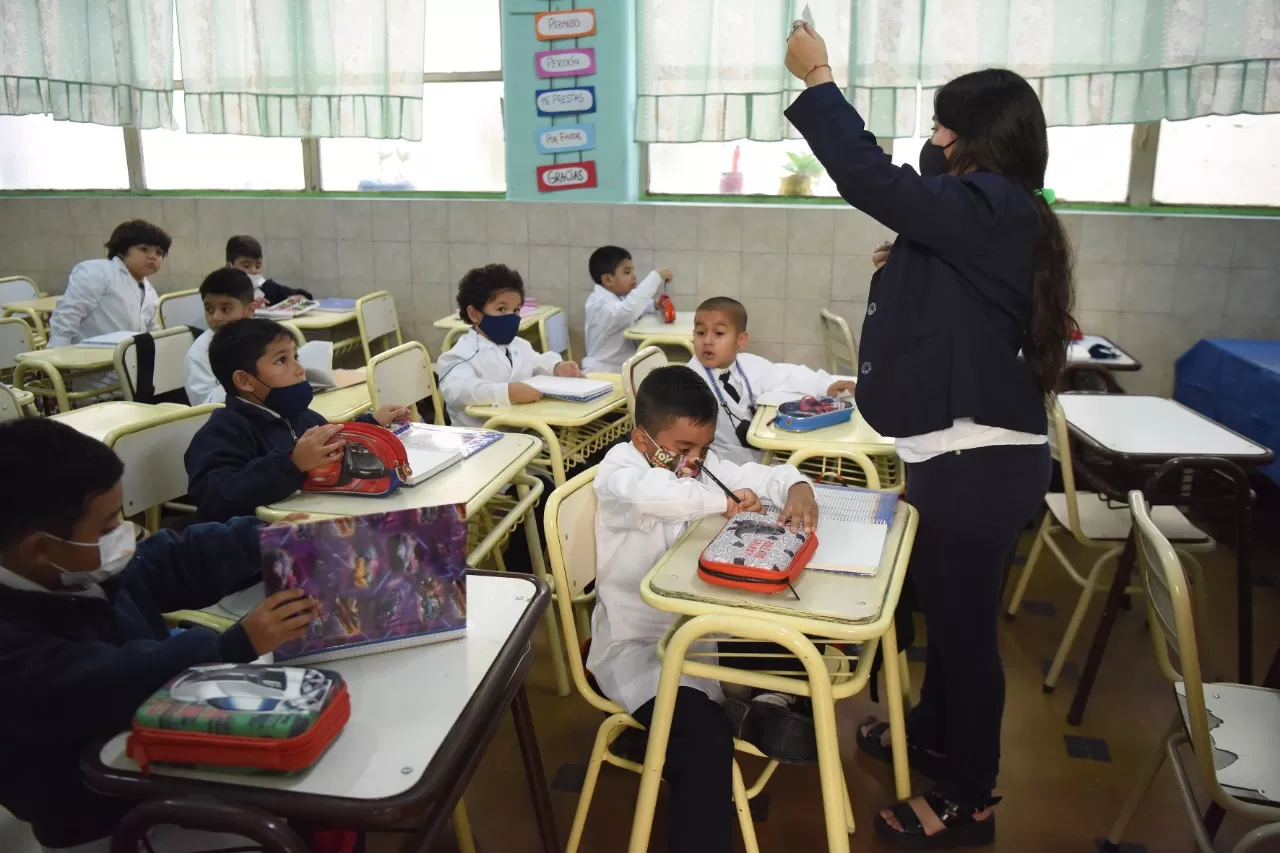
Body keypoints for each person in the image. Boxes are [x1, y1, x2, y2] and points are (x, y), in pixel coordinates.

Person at [784, 23, 1075, 849]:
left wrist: (822, 82)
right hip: (957, 456)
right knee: (948, 619)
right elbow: (919, 209)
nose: (932, 141)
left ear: (979, 141)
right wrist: (906, 263)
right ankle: (938, 731)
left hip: (977, 464)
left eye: (944, 128)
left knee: (965, 634)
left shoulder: (991, 205)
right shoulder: (991, 213)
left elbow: (879, 179)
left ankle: (969, 793)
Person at [0, 418, 317, 852]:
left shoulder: (75, 568)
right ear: (41, 548)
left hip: (166, 761)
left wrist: (260, 542)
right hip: (104, 813)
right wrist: (232, 646)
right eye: (109, 525)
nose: (122, 533)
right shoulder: (13, 643)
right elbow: (104, 682)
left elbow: (172, 560)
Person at [589, 365, 819, 853]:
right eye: (684, 450)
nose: (695, 461)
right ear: (643, 438)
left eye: (703, 449)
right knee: (704, 746)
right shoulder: (620, 473)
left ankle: (753, 709)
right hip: (640, 650)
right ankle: (728, 718)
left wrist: (795, 485)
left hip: (697, 633)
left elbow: (757, 473)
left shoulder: (694, 462)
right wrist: (723, 497)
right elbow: (658, 496)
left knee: (802, 652)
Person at [184, 318, 409, 523]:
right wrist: (292, 464)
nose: (300, 370)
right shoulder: (221, 433)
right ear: (245, 380)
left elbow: (334, 443)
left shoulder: (300, 416)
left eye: (295, 357)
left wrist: (372, 424)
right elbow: (217, 499)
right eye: (282, 360)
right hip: (264, 548)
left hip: (315, 521)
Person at [693, 296, 856, 465]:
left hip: (761, 459)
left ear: (741, 341)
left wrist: (826, 386)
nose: (707, 341)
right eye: (700, 333)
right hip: (721, 468)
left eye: (718, 333)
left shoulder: (747, 364)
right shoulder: (689, 381)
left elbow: (786, 375)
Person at [436, 263, 583, 428]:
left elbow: (536, 362)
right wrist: (507, 392)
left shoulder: (518, 345)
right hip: (479, 441)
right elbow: (458, 390)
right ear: (474, 314)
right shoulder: (459, 355)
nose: (511, 317)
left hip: (522, 433)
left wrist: (557, 366)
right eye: (501, 309)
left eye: (515, 310)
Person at [47, 220, 168, 347]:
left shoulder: (150, 291)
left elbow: (152, 331)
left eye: (159, 253)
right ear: (122, 249)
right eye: (144, 249)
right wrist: (58, 356)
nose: (153, 257)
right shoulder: (97, 272)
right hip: (87, 358)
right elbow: (68, 316)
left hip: (127, 361)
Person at [581, 245, 672, 374]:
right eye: (627, 272)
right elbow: (628, 310)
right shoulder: (599, 304)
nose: (634, 276)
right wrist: (656, 276)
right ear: (608, 279)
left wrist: (655, 305)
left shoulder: (615, 298)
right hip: (604, 373)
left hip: (619, 368)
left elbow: (630, 310)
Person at [184, 268, 257, 405]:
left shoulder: (266, 338)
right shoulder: (199, 353)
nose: (216, 317)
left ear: (250, 310)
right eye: (209, 310)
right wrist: (244, 382)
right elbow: (204, 405)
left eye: (226, 309)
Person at [226, 235, 313, 305]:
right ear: (229, 266)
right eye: (246, 266)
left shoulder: (266, 287)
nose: (254, 271)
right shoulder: (219, 291)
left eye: (258, 266)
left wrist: (299, 298)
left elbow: (300, 294)